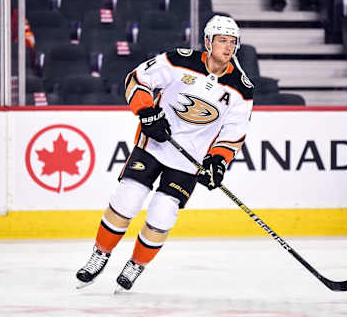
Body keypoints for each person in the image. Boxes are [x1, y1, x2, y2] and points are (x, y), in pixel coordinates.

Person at [75, 15, 253, 291]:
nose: (228, 47)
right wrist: (147, 113)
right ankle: (100, 254)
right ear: (208, 42)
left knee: (162, 215)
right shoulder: (178, 60)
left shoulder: (242, 87)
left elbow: (233, 133)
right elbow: (136, 79)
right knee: (127, 199)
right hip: (153, 146)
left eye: (232, 42)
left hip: (188, 162)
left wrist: (218, 162)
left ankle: (135, 264)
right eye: (222, 41)